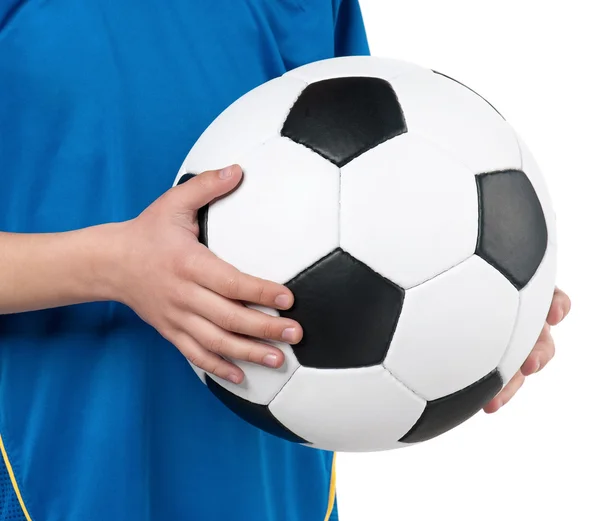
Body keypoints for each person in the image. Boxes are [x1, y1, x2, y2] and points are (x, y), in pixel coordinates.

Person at [0, 1, 571, 520]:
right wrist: (113, 266)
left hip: (270, 483)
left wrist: (488, 305)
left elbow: (366, 199)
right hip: (60, 471)